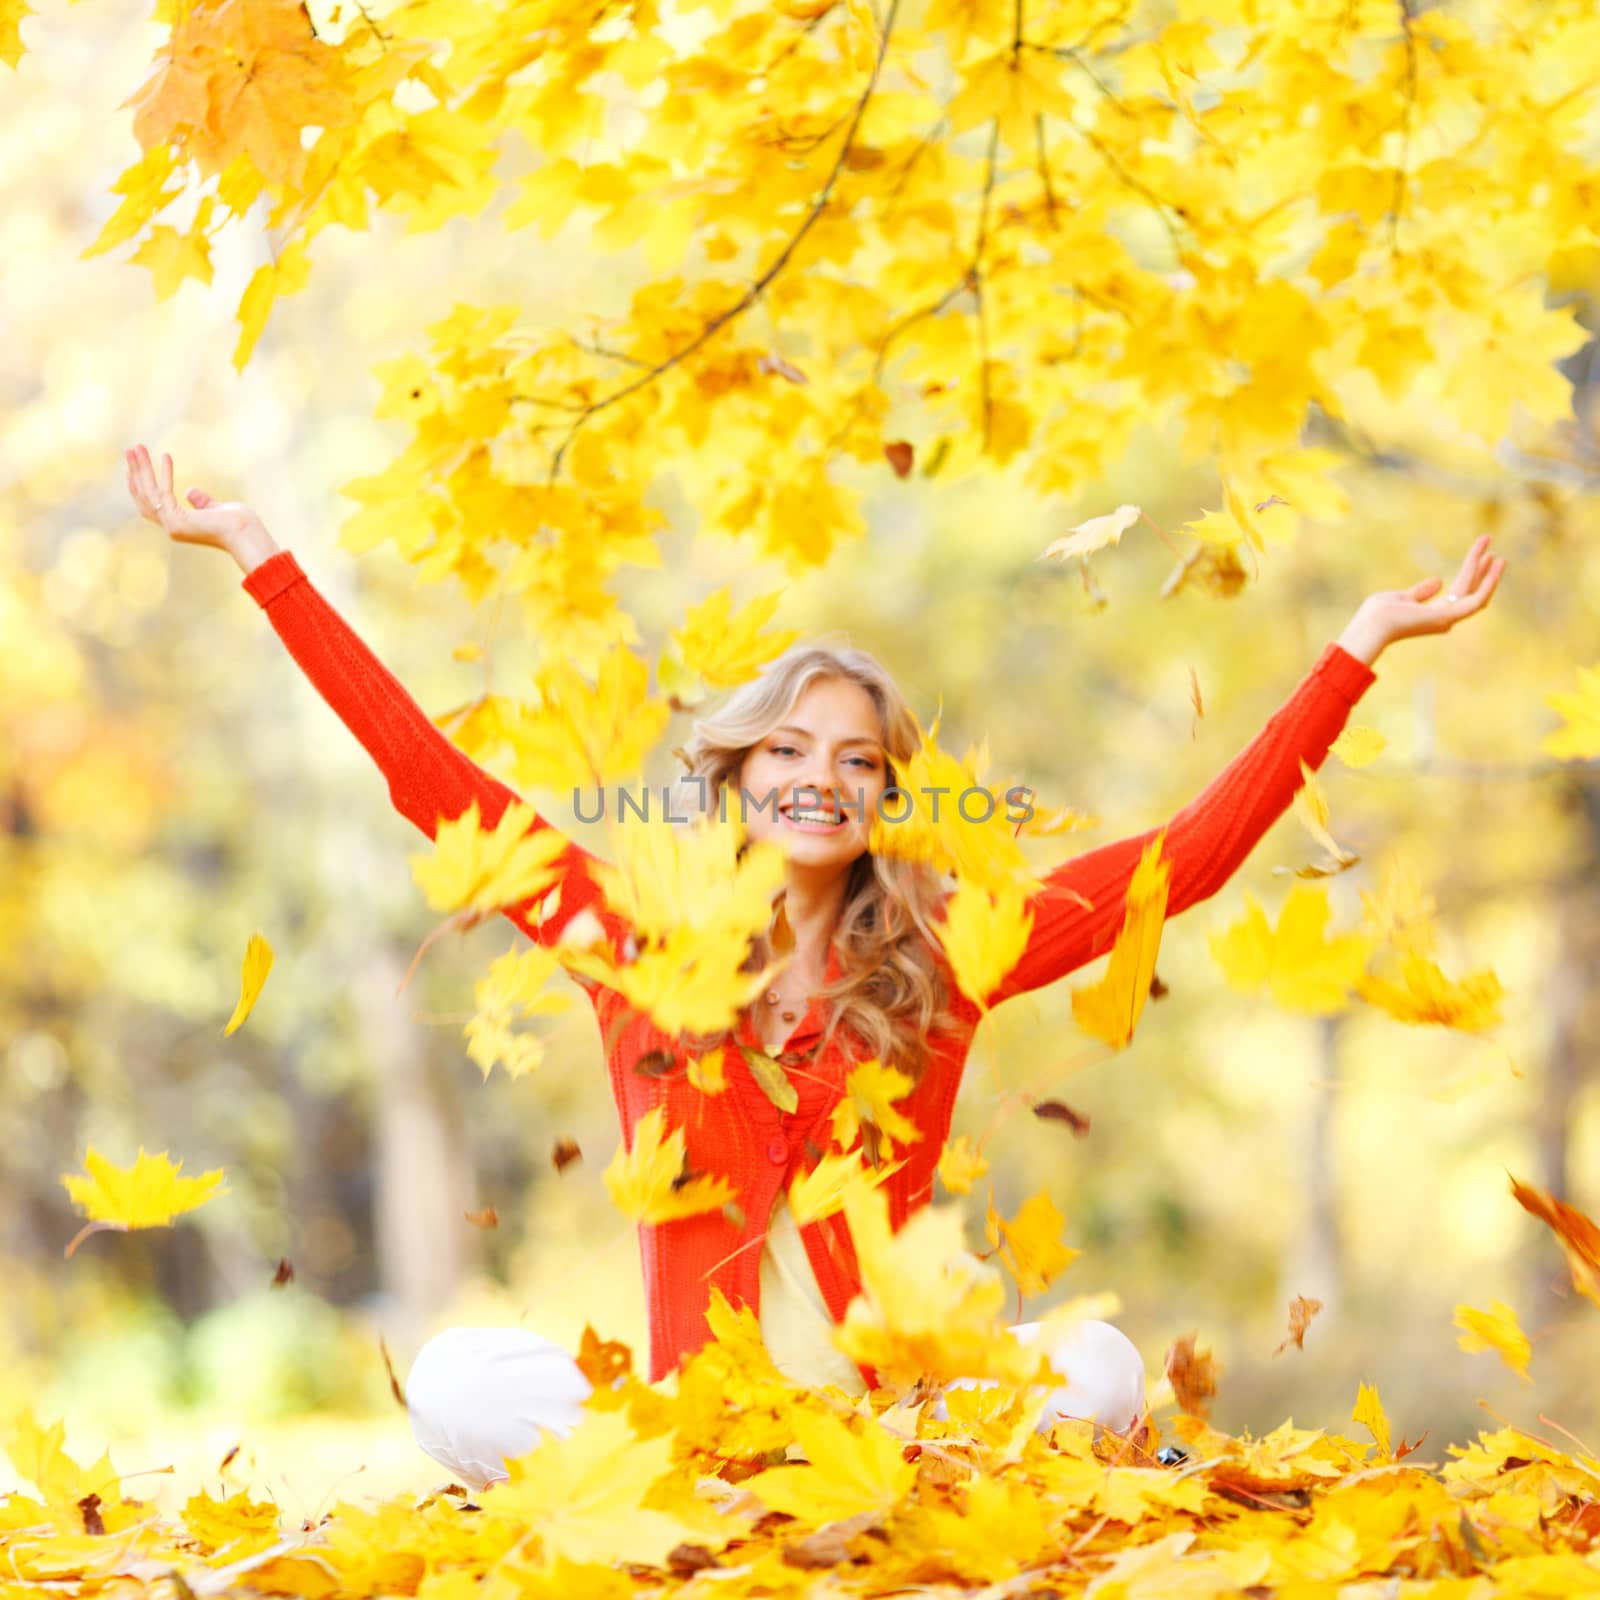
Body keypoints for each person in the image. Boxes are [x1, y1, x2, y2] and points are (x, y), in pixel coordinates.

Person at [123, 443, 1504, 1489]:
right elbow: (437, 783)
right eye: (787, 749)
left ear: (885, 795)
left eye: (855, 760)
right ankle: (710, 1507)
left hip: (896, 1421)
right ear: (738, 772)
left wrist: (1359, 647)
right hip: (702, 1432)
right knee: (452, 1382)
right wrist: (260, 553)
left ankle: (912, 1505)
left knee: (1098, 1369)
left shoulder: (946, 954)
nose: (818, 781)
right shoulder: (639, 941)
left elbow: (1180, 864)